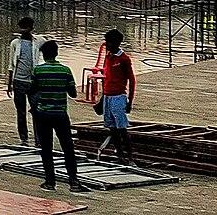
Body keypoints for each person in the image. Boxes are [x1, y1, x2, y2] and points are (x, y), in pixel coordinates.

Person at [29, 39, 87, 192]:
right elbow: (73, 94)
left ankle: (50, 181)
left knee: (46, 148)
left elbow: (32, 90)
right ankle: (73, 181)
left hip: (43, 114)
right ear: (56, 53)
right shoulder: (65, 70)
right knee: (68, 147)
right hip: (60, 113)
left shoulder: (38, 71)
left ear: (43, 54)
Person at [96, 28, 136, 165]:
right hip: (107, 96)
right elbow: (106, 79)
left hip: (119, 97)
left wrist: (130, 101)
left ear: (117, 43)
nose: (107, 45)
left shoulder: (124, 59)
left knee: (122, 129)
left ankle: (130, 157)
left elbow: (132, 80)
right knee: (112, 129)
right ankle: (120, 156)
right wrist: (102, 99)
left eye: (110, 43)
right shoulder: (108, 56)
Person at [8, 17, 39, 145]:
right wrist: (9, 84)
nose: (23, 31)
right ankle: (24, 138)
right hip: (18, 81)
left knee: (36, 111)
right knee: (21, 112)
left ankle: (38, 139)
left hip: (33, 82)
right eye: (22, 28)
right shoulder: (15, 43)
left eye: (26, 28)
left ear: (32, 28)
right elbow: (11, 65)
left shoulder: (38, 42)